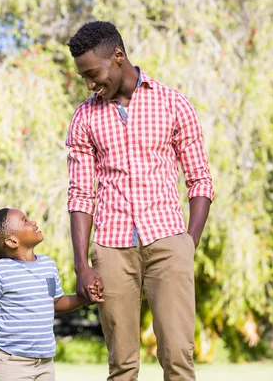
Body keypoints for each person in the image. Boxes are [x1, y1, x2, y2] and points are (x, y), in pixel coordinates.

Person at [66, 21, 214, 381]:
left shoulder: (173, 103)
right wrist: (81, 265)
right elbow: (81, 194)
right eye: (83, 77)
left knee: (178, 356)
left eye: (93, 73)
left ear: (118, 57)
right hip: (112, 247)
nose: (89, 84)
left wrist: (187, 244)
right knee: (121, 364)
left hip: (168, 239)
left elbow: (200, 181)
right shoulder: (85, 117)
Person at [0, 208, 88, 381]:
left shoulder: (48, 266)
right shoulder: (0, 271)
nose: (34, 222)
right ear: (12, 241)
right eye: (25, 221)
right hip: (9, 361)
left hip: (44, 362)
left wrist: (83, 298)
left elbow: (55, 303)